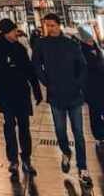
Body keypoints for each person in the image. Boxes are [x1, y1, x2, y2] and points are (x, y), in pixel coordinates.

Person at [32, 13, 91, 186]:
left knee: (78, 132)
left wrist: (79, 83)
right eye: (47, 25)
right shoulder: (41, 44)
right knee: (59, 129)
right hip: (55, 94)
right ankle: (66, 151)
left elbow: (82, 66)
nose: (49, 28)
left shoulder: (71, 44)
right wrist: (46, 82)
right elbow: (36, 64)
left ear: (59, 25)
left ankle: (82, 168)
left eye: (52, 25)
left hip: (74, 94)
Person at [0, 18, 43, 177]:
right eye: (13, 31)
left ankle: (26, 158)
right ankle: (13, 160)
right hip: (5, 93)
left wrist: (37, 90)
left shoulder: (20, 48)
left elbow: (30, 71)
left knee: (24, 126)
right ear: (6, 32)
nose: (16, 33)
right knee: (9, 126)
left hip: (22, 92)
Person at [78, 26, 104, 147]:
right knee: (95, 113)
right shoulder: (81, 51)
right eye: (88, 39)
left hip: (102, 85)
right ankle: (99, 136)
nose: (91, 41)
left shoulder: (97, 49)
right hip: (91, 88)